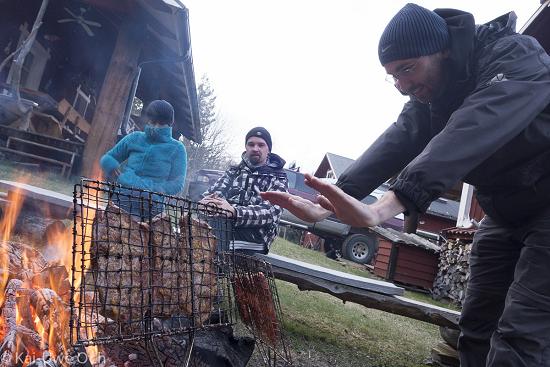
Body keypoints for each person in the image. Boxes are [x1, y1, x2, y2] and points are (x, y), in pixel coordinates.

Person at [262, 3, 550, 366]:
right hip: (503, 211)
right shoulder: (434, 91)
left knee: (523, 334)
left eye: (407, 70)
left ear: (443, 49)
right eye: (393, 76)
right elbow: (401, 137)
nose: (401, 86)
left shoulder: (513, 56)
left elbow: (475, 125)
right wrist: (329, 202)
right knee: (475, 326)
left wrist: (385, 207)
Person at [200, 127, 288, 255]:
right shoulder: (234, 171)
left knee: (211, 242)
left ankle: (217, 270)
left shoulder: (278, 177)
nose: (255, 148)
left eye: (261, 145)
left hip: (257, 236)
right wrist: (206, 201)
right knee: (196, 234)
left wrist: (235, 212)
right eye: (251, 144)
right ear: (246, 147)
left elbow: (271, 213)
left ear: (268, 149)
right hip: (224, 226)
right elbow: (214, 192)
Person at [100, 99, 188, 218]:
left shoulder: (177, 148)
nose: (155, 127)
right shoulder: (134, 138)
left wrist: (157, 189)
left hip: (152, 206)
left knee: (141, 236)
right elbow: (108, 158)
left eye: (161, 124)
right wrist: (113, 168)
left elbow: (177, 183)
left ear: (169, 124)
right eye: (152, 122)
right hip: (122, 197)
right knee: (109, 234)